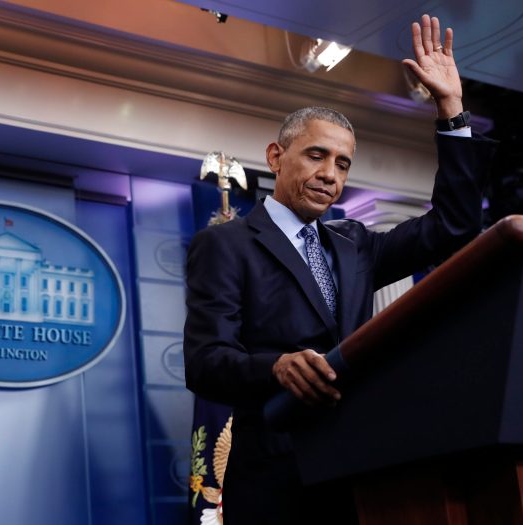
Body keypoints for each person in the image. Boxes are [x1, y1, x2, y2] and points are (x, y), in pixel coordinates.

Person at [183, 14, 497, 525]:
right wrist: (276, 367)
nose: (330, 174)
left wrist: (451, 110)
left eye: (343, 163)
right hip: (274, 481)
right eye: (316, 155)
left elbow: (454, 227)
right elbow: (205, 362)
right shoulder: (225, 244)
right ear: (276, 157)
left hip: (358, 471)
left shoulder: (355, 244)